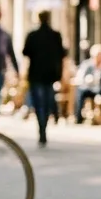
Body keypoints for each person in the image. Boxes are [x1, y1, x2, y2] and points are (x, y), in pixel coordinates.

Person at [22, 10, 67, 147]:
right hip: (49, 74)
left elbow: (25, 52)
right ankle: (44, 126)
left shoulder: (33, 35)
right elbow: (62, 54)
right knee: (46, 102)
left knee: (39, 104)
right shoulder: (55, 36)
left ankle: (42, 128)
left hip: (37, 74)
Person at [72, 44, 101, 124]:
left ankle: (100, 118)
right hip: (88, 88)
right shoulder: (87, 64)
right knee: (80, 92)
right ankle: (78, 116)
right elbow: (80, 77)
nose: (100, 57)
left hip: (99, 89)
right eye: (99, 55)